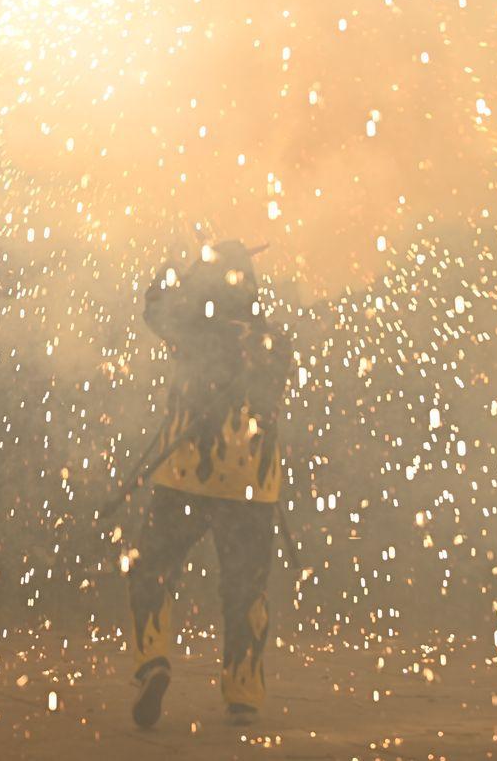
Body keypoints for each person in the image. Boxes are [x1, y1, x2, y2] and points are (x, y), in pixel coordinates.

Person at [128, 239, 293, 728]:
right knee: (245, 591)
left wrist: (180, 266)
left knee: (151, 568)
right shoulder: (274, 341)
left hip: (185, 473)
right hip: (253, 485)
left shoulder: (189, 328)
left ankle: (152, 662)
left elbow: (154, 302)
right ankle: (243, 692)